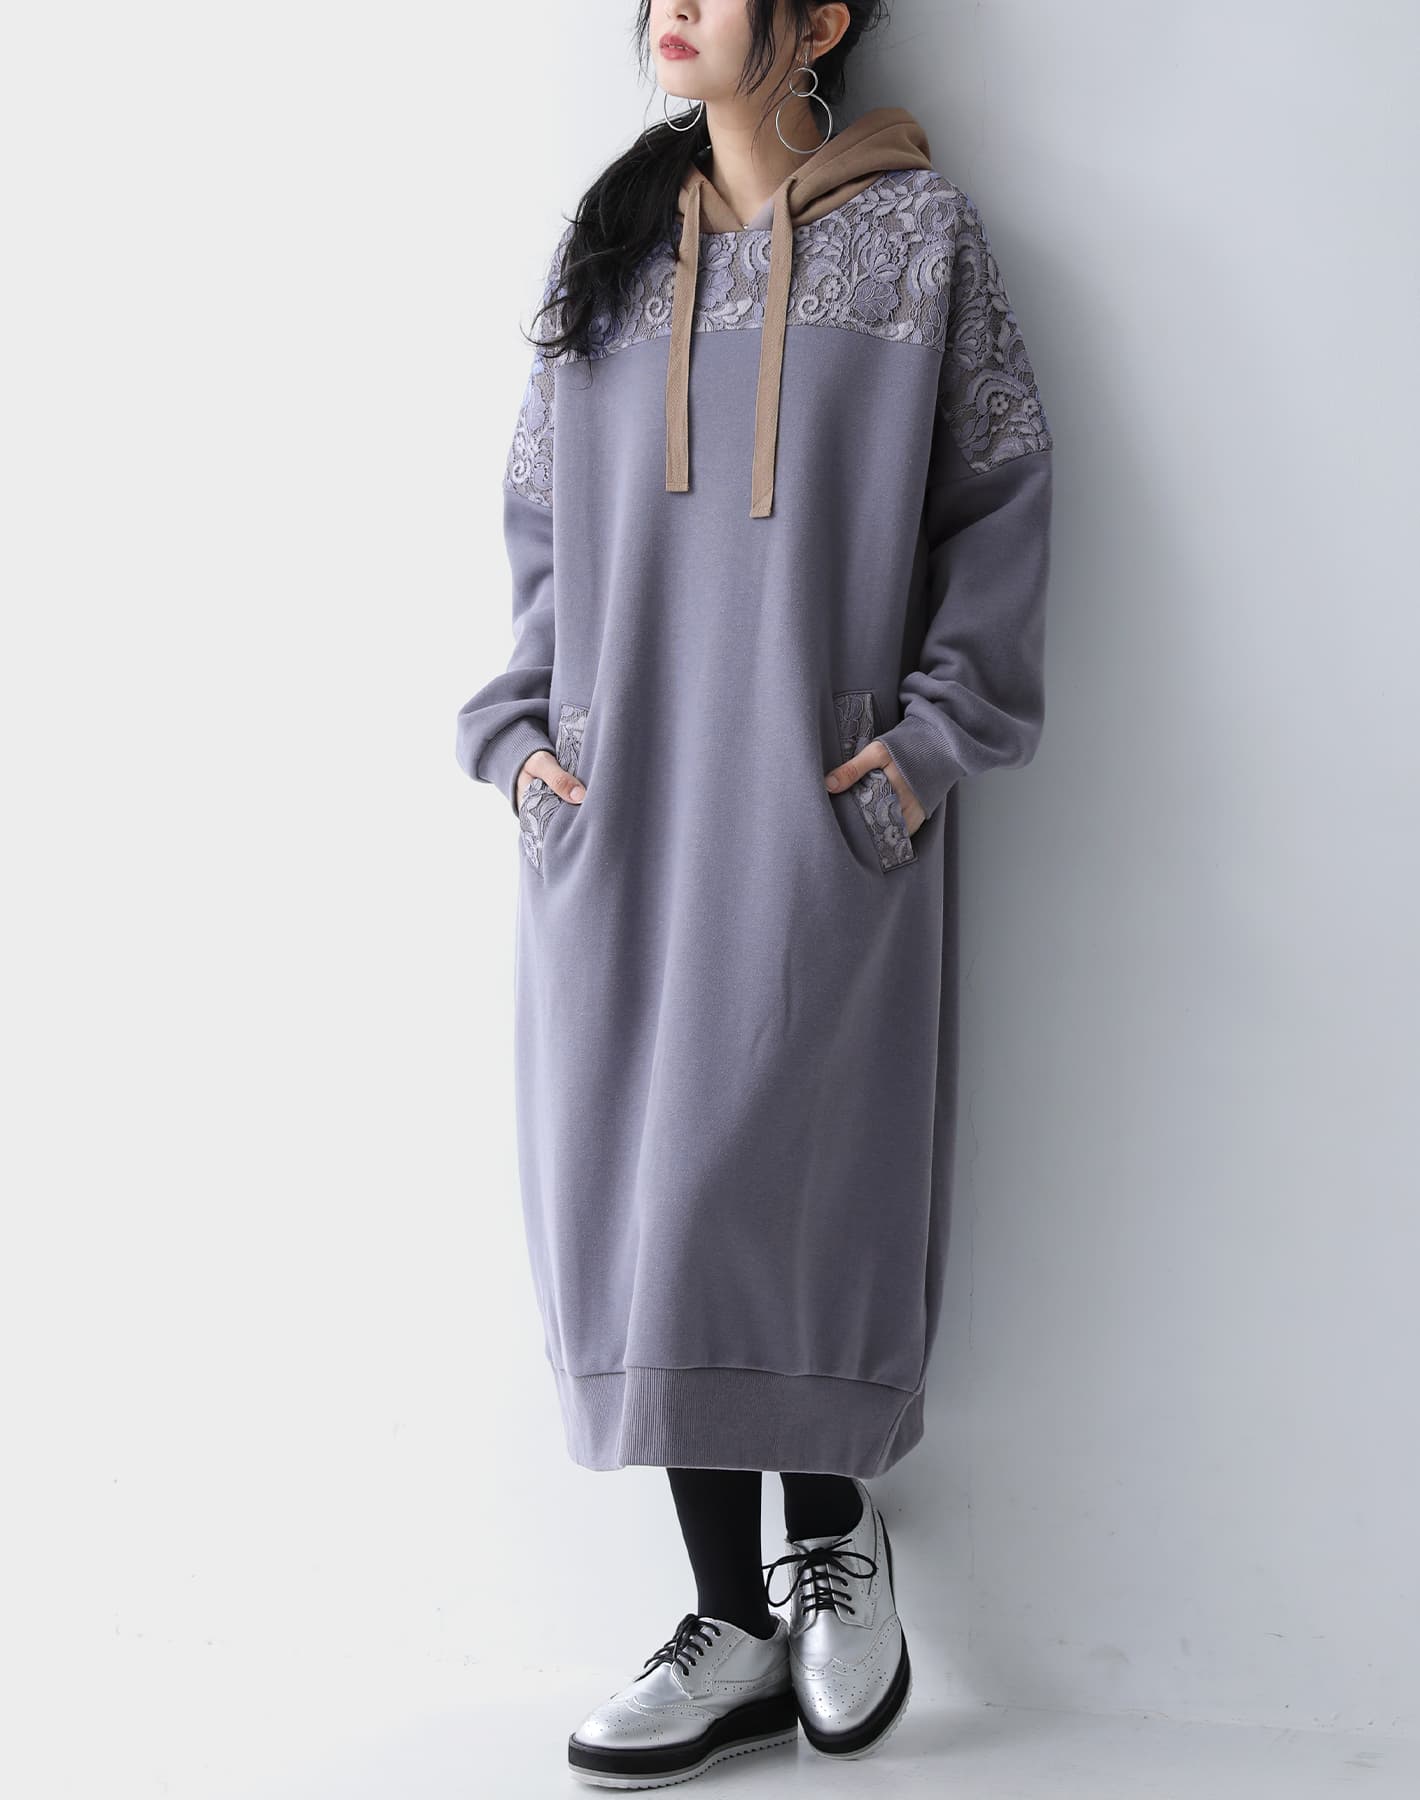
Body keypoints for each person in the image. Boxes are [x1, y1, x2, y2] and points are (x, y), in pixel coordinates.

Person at [454, 1, 1053, 1784]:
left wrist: (929, 747)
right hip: (617, 806)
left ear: (821, 21)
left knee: (799, 1175)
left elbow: (1004, 504)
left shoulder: (920, 239)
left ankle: (831, 1537)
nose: (674, 6)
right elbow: (538, 520)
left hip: (815, 803)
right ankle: (728, 1620)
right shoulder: (611, 248)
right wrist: (523, 744)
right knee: (649, 1202)